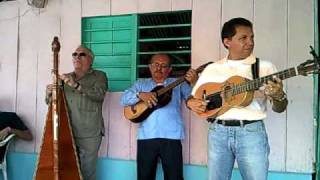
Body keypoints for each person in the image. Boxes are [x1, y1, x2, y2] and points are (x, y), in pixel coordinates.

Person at [186, 17, 288, 180]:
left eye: (252, 37)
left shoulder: (264, 67)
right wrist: (191, 103)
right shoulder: (213, 68)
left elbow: (280, 107)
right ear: (227, 42)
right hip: (217, 132)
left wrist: (279, 96)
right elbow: (194, 96)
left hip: (251, 132)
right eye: (243, 38)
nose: (250, 42)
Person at [120, 54, 198, 180]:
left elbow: (193, 99)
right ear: (150, 67)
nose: (159, 68)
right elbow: (123, 100)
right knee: (144, 176)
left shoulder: (178, 84)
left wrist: (194, 82)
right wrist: (140, 95)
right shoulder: (141, 84)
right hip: (146, 137)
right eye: (156, 65)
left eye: (163, 66)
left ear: (170, 69)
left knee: (174, 177)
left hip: (171, 137)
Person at [46, 45, 107, 180]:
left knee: (87, 173)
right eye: (75, 54)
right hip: (67, 132)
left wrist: (76, 85)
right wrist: (49, 94)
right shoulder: (64, 78)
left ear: (91, 59)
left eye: (82, 54)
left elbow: (99, 95)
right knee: (68, 171)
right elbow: (53, 104)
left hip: (89, 133)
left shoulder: (99, 76)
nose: (77, 57)